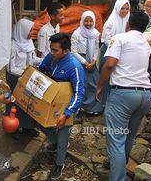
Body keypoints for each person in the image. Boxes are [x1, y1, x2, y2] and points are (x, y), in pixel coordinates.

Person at [95, 12, 151, 181]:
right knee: (128, 136)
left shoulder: (120, 38)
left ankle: (118, 177)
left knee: (116, 140)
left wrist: (99, 86)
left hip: (123, 95)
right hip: (144, 96)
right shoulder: (146, 43)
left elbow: (110, 64)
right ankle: (118, 166)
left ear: (128, 24)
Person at [38, 33, 85, 180]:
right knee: (40, 121)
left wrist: (67, 112)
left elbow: (79, 92)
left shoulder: (74, 66)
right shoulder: (51, 57)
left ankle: (59, 164)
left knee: (63, 133)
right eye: (51, 49)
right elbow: (41, 71)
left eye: (55, 50)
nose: (52, 53)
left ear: (66, 50)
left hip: (67, 105)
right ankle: (56, 142)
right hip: (50, 99)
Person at [6, 18, 43, 139]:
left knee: (29, 103)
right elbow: (11, 68)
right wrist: (26, 72)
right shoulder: (12, 45)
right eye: (30, 30)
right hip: (15, 79)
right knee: (15, 104)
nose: (32, 32)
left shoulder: (29, 42)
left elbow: (33, 59)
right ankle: (13, 128)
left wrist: (44, 61)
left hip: (28, 77)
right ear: (22, 30)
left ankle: (28, 127)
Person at [98, 0, 130, 106]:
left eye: (127, 9)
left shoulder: (128, 21)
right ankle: (103, 104)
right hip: (108, 53)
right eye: (122, 9)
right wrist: (117, 50)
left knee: (117, 78)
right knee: (106, 78)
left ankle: (113, 103)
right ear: (117, 9)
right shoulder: (110, 23)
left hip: (121, 55)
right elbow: (107, 41)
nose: (125, 11)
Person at [71, 11, 103, 117]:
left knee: (94, 84)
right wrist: (85, 63)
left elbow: (97, 49)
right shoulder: (76, 33)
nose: (88, 23)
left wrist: (93, 61)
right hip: (80, 61)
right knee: (81, 84)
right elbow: (73, 51)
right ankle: (80, 108)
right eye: (86, 21)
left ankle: (92, 108)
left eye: (91, 21)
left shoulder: (95, 33)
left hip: (92, 62)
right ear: (82, 21)